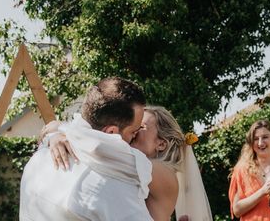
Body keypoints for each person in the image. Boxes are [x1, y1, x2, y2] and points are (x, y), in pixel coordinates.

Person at [46, 105, 213, 221]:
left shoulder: (164, 173)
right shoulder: (132, 169)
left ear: (161, 144)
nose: (132, 132)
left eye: (140, 128)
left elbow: (100, 148)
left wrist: (60, 130)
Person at [19, 76, 151, 220]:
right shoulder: (113, 186)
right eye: (134, 132)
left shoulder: (40, 158)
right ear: (111, 132)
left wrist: (56, 132)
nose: (134, 139)